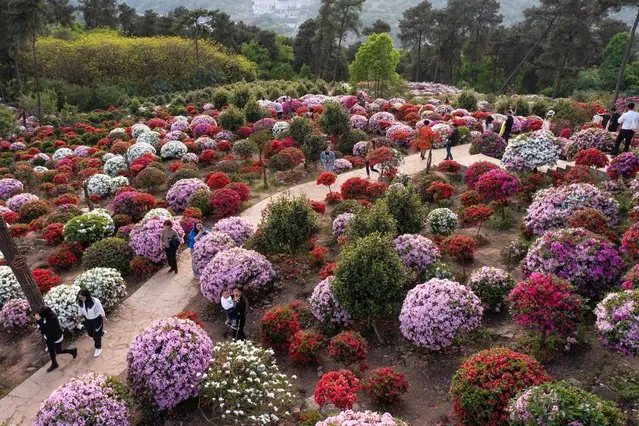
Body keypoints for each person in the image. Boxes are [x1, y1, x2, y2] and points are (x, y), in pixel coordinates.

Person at [36, 306, 77, 372]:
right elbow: (43, 326)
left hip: (56, 337)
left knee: (58, 351)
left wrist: (40, 321)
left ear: (46, 314)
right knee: (51, 351)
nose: (41, 316)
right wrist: (39, 321)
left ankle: (72, 351)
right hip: (48, 337)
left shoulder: (53, 318)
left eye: (42, 315)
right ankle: (54, 364)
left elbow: (48, 328)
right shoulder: (44, 317)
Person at [76, 289, 106, 358]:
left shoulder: (95, 301)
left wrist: (104, 318)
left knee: (96, 336)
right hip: (88, 320)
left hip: (96, 320)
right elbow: (80, 312)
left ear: (86, 296)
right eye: (79, 297)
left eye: (82, 297)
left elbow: (101, 310)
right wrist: (78, 319)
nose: (80, 299)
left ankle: (98, 348)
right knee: (90, 333)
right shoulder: (81, 302)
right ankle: (100, 332)